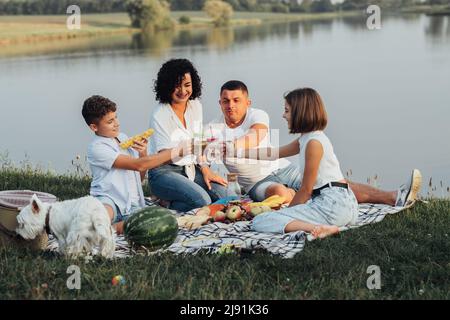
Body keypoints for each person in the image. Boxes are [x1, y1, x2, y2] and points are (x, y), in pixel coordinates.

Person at [212, 80, 421, 208]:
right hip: (256, 183)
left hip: (282, 168)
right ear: (219, 103)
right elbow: (198, 149)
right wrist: (204, 165)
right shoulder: (213, 128)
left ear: (247, 102)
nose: (231, 105)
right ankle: (304, 199)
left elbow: (256, 138)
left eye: (236, 100)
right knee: (281, 193)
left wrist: (231, 147)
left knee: (335, 184)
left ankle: (393, 197)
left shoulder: (258, 115)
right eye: (225, 101)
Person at [82, 95, 191, 234]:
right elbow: (139, 165)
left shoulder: (123, 138)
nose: (116, 123)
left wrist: (142, 153)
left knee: (155, 224)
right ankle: (105, 229)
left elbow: (138, 176)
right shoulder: (97, 147)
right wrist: (175, 151)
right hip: (109, 199)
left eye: (116, 117)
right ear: (94, 127)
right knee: (102, 215)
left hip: (133, 205)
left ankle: (112, 229)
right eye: (110, 121)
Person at [147, 59, 228, 212]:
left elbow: (198, 141)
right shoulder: (160, 114)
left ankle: (179, 197)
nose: (183, 91)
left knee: (228, 194)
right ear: (166, 86)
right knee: (202, 201)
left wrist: (205, 168)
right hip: (163, 172)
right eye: (177, 86)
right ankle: (165, 203)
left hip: (191, 168)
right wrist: (184, 149)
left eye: (187, 85)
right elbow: (164, 155)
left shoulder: (195, 105)